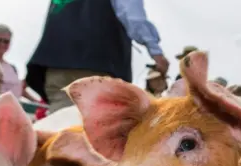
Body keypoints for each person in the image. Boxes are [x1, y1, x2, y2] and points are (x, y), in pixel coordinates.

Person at [25, 0, 170, 113]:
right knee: (94, 131)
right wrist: (156, 52)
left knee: (59, 126)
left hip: (55, 63)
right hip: (97, 63)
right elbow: (132, 16)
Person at [0, 24, 41, 102]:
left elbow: (20, 90)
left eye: (6, 41)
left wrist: (38, 102)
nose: (2, 44)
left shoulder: (12, 68)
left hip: (14, 107)